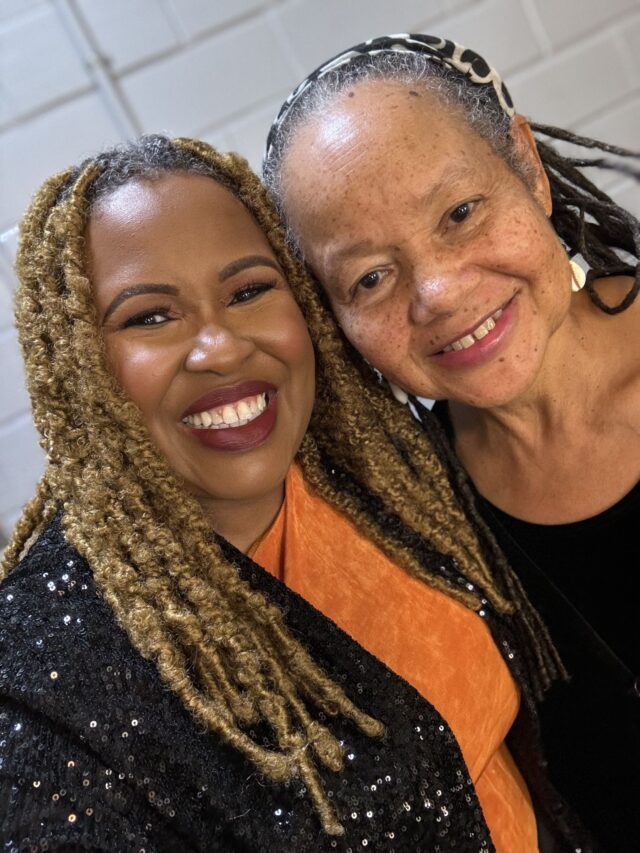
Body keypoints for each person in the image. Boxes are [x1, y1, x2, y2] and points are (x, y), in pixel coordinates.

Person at [0, 135, 573, 851]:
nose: (223, 346)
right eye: (150, 316)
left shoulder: (381, 474)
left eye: (248, 291)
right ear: (76, 362)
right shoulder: (43, 676)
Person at [263, 33, 640, 852]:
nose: (437, 293)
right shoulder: (409, 530)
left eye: (460, 214)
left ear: (527, 168)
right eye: (370, 276)